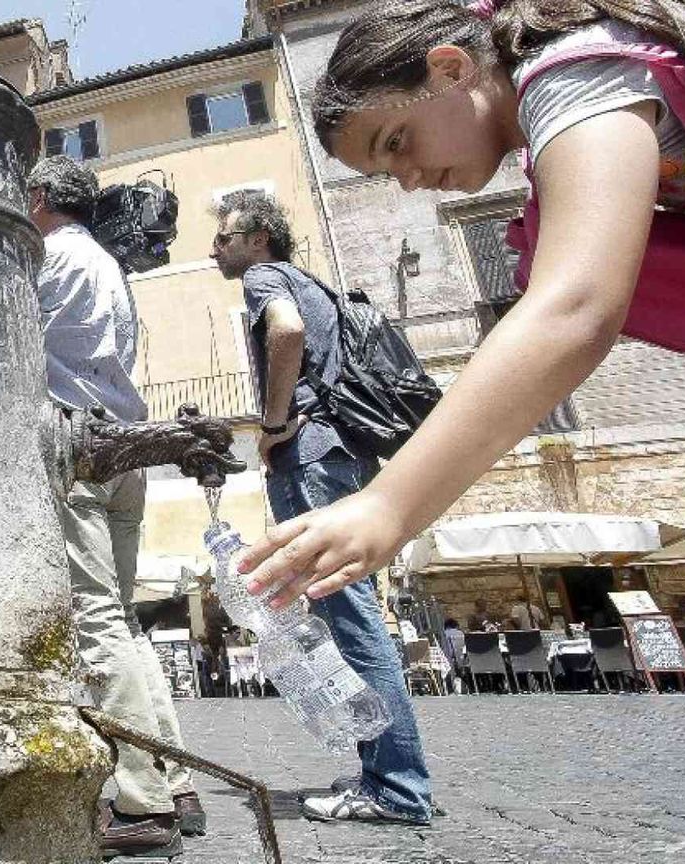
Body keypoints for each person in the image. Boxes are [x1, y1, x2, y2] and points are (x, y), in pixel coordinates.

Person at [239, 0, 685, 635]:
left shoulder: (573, 75)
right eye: (385, 170)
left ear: (450, 70)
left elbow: (575, 307)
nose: (407, 178)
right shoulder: (560, 109)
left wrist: (386, 505)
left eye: (396, 142)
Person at [211, 189, 433, 826]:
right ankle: (386, 773)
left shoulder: (265, 276)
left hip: (308, 453)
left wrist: (274, 422)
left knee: (353, 621)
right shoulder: (315, 283)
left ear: (258, 238)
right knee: (354, 616)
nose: (215, 250)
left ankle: (396, 788)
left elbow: (285, 331)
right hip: (344, 452)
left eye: (224, 238)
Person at [27, 155, 203, 857]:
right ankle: (177, 781)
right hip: (125, 442)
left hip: (76, 445)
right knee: (123, 620)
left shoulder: (43, 259)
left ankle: (143, 802)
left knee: (96, 618)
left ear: (38, 196)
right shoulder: (105, 262)